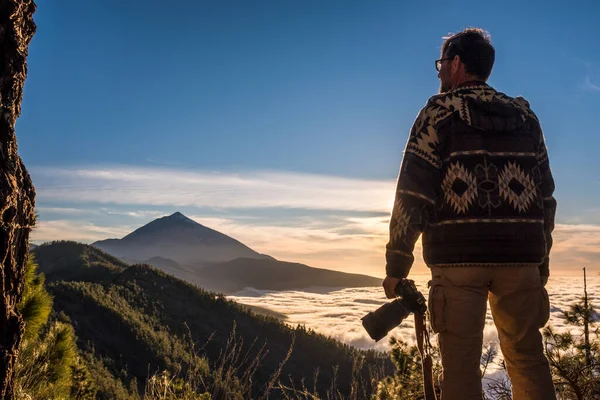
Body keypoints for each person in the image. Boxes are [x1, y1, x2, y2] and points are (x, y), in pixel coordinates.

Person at [382, 28, 557, 400]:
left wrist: (396, 264)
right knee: (527, 359)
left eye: (442, 63)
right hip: (521, 258)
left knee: (460, 368)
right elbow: (545, 196)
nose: (440, 71)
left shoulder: (438, 113)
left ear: (457, 63)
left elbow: (412, 192)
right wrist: (540, 261)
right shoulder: (526, 119)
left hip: (457, 260)